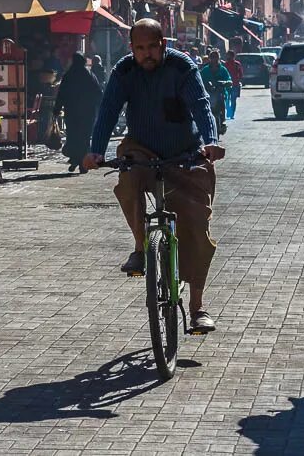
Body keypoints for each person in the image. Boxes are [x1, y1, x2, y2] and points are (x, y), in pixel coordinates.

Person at [82, 19, 226, 334]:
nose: (146, 54)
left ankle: (197, 306)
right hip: (142, 150)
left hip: (183, 153)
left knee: (196, 225)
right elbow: (107, 110)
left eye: (152, 47)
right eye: (139, 48)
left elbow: (201, 106)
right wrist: (95, 149)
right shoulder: (124, 72)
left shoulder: (181, 67)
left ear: (163, 43)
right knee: (128, 178)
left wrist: (210, 141)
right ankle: (140, 247)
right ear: (132, 48)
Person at [54, 52, 104, 173]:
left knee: (73, 135)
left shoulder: (68, 75)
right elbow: (98, 92)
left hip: (71, 112)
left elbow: (61, 94)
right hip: (87, 112)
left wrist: (56, 109)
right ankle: (82, 162)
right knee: (85, 137)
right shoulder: (89, 75)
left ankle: (76, 159)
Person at [199, 50, 233, 134]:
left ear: (219, 58)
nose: (214, 59)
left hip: (220, 92)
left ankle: (222, 120)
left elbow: (228, 79)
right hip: (208, 93)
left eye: (216, 57)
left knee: (222, 102)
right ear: (210, 58)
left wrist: (226, 82)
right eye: (212, 57)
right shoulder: (205, 70)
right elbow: (199, 79)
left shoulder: (223, 69)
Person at [224, 50, 244, 121]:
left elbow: (241, 73)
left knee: (233, 99)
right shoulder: (225, 64)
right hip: (226, 84)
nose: (227, 57)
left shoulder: (237, 64)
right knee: (226, 99)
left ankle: (232, 114)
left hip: (235, 84)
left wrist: (239, 80)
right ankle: (229, 112)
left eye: (229, 55)